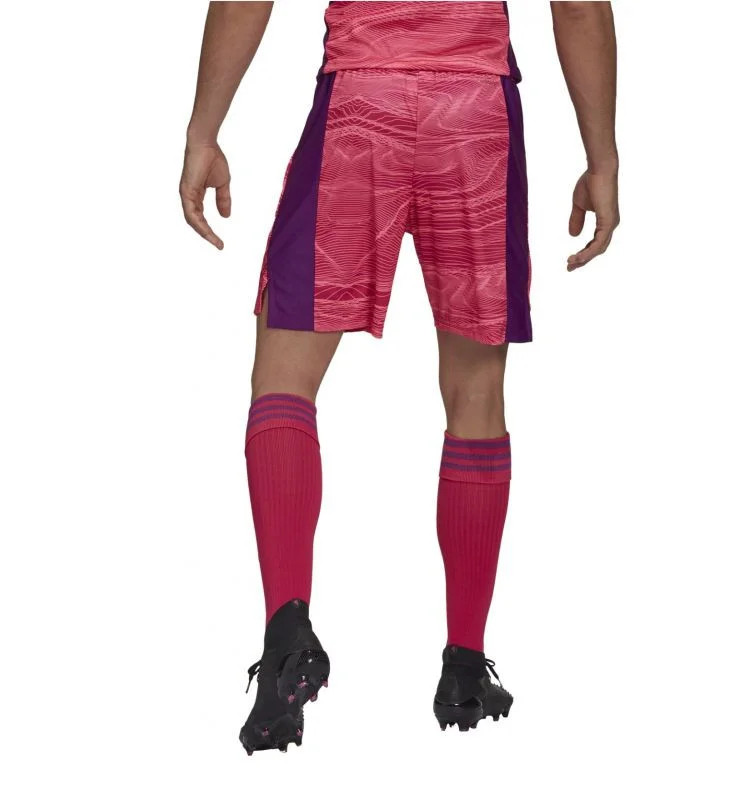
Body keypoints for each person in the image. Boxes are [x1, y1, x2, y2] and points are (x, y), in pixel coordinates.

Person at [180, 0, 619, 755]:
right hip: (475, 113)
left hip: (360, 104)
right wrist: (602, 157)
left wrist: (203, 131)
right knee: (475, 394)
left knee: (284, 380)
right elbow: (577, 5)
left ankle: (287, 634)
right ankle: (464, 668)